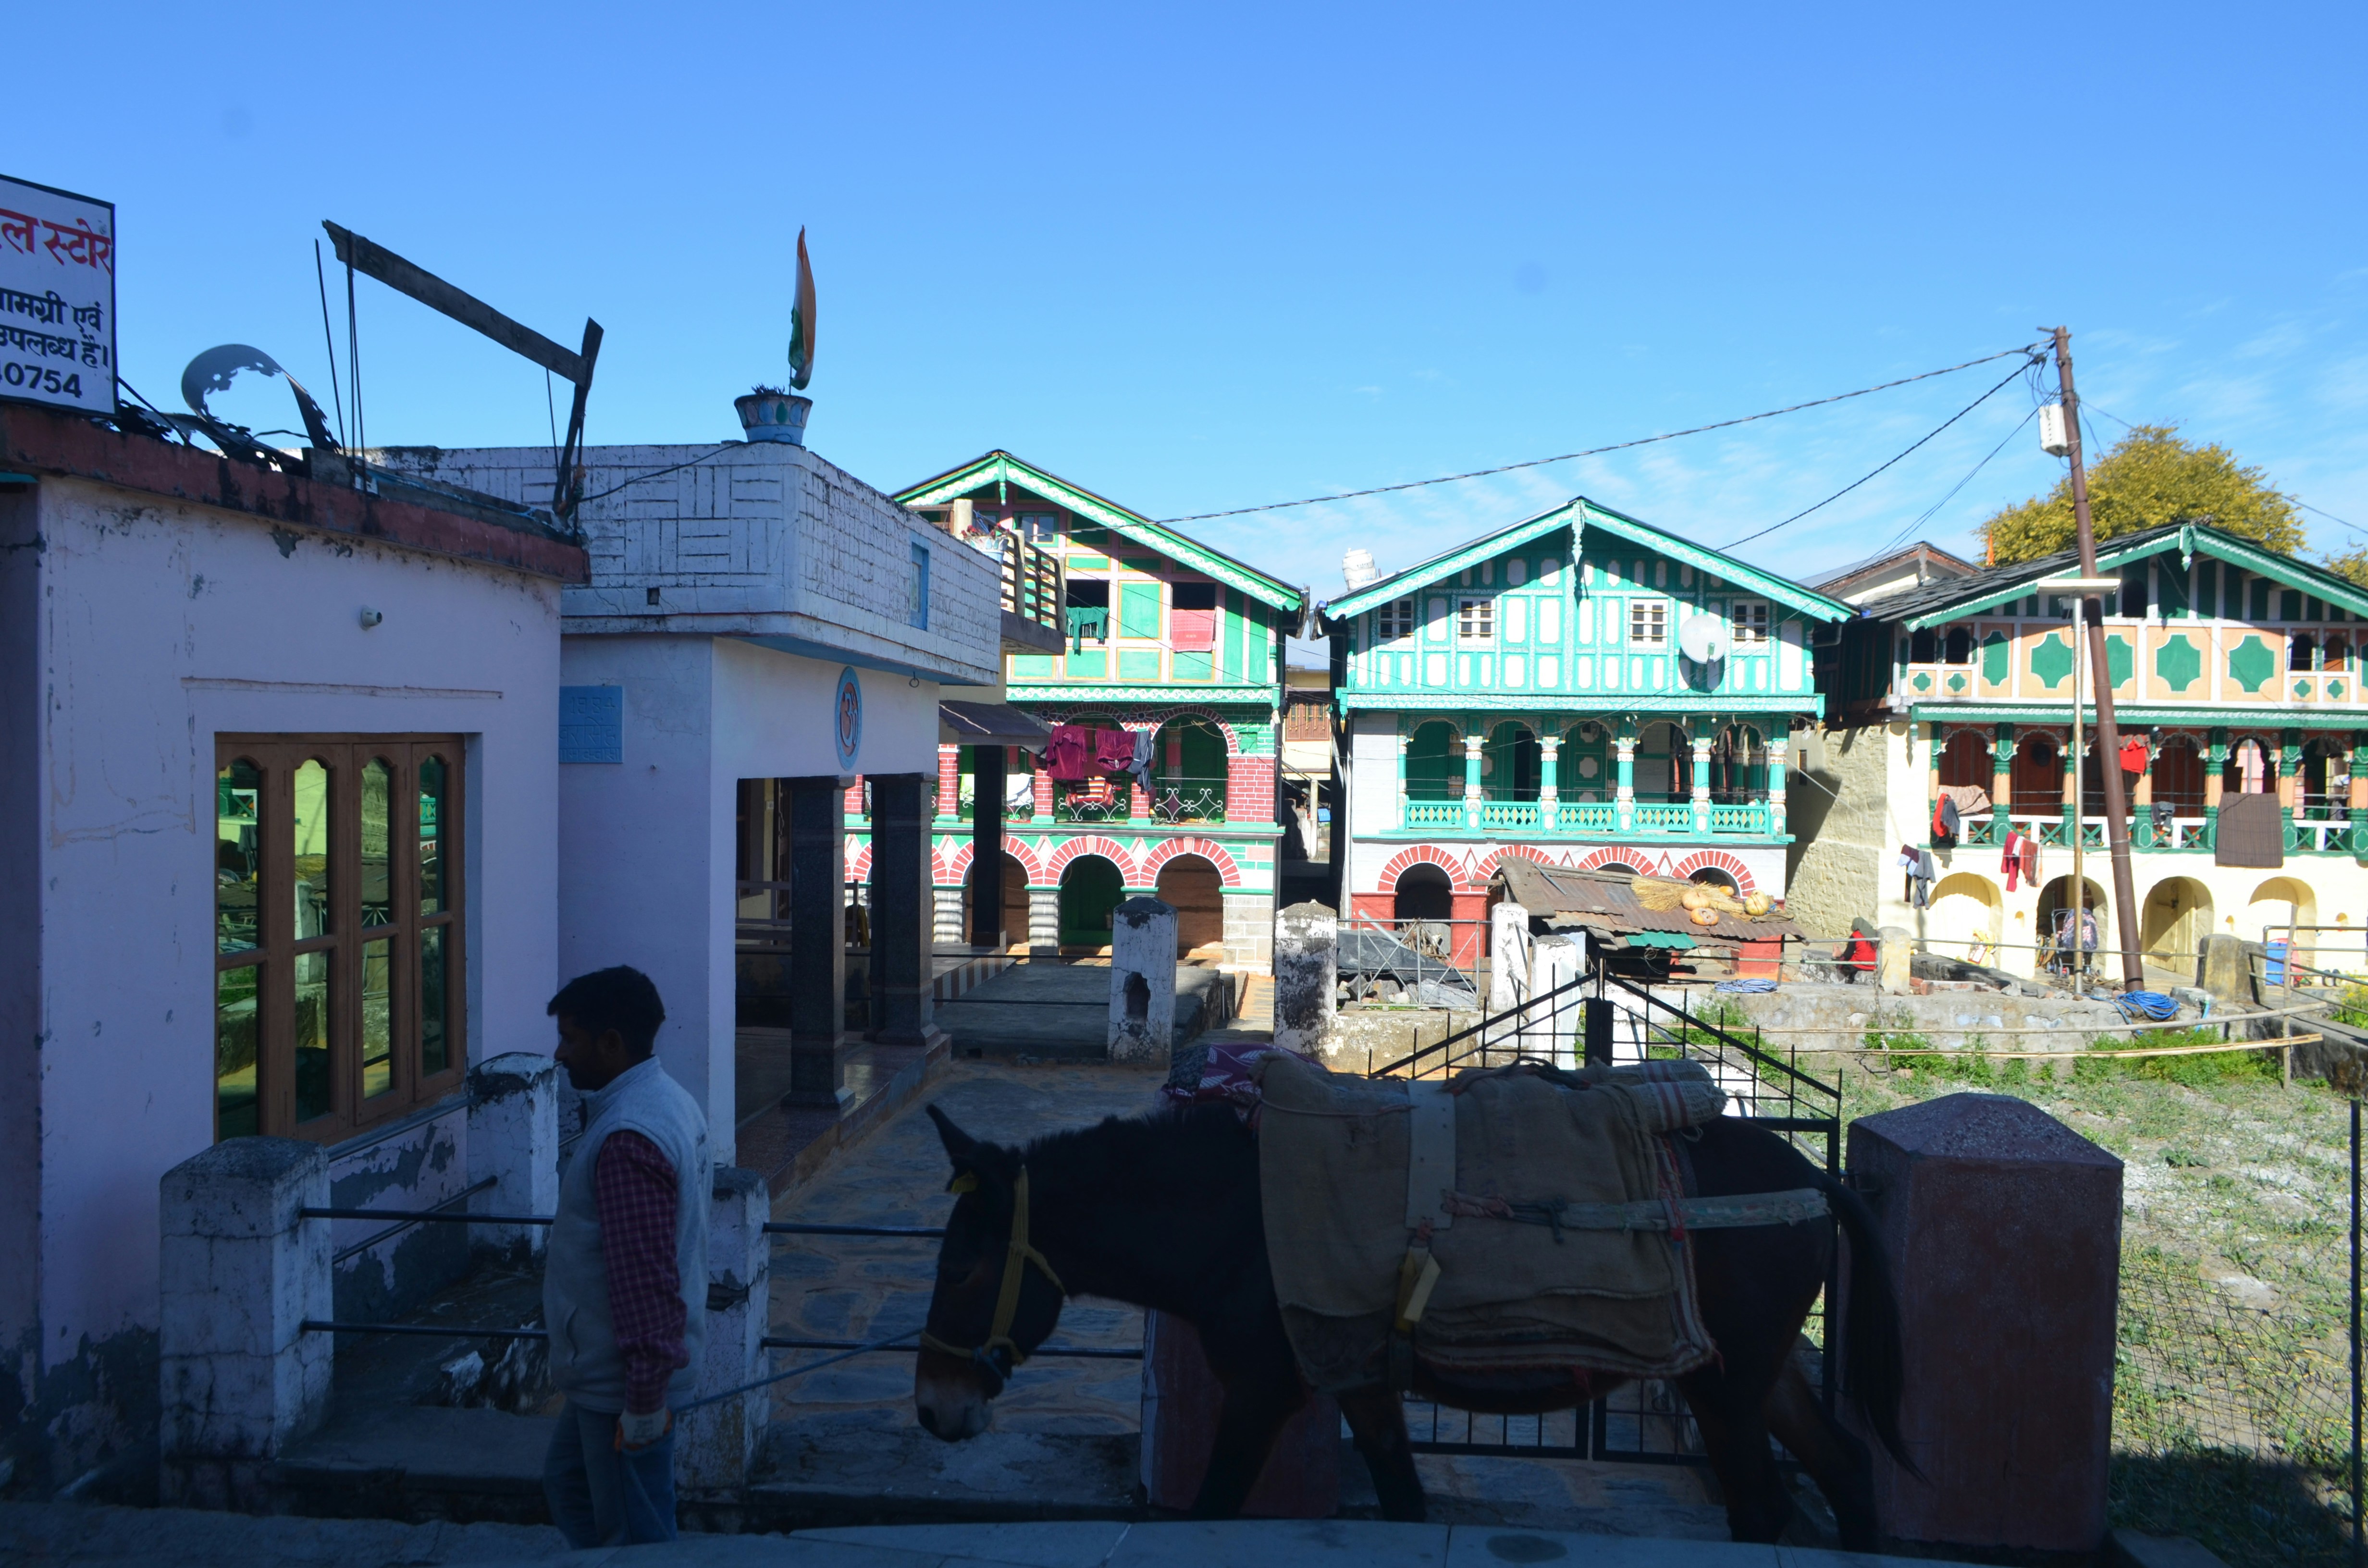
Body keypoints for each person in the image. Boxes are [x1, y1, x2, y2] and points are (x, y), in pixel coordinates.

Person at [541, 966, 709, 1548]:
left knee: (634, 1535)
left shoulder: (628, 1136)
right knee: (569, 1485)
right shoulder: (666, 1100)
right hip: (605, 1375)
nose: (560, 1055)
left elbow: (643, 1280)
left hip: (623, 1383)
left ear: (611, 1043)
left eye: (571, 1038)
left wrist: (642, 1404)